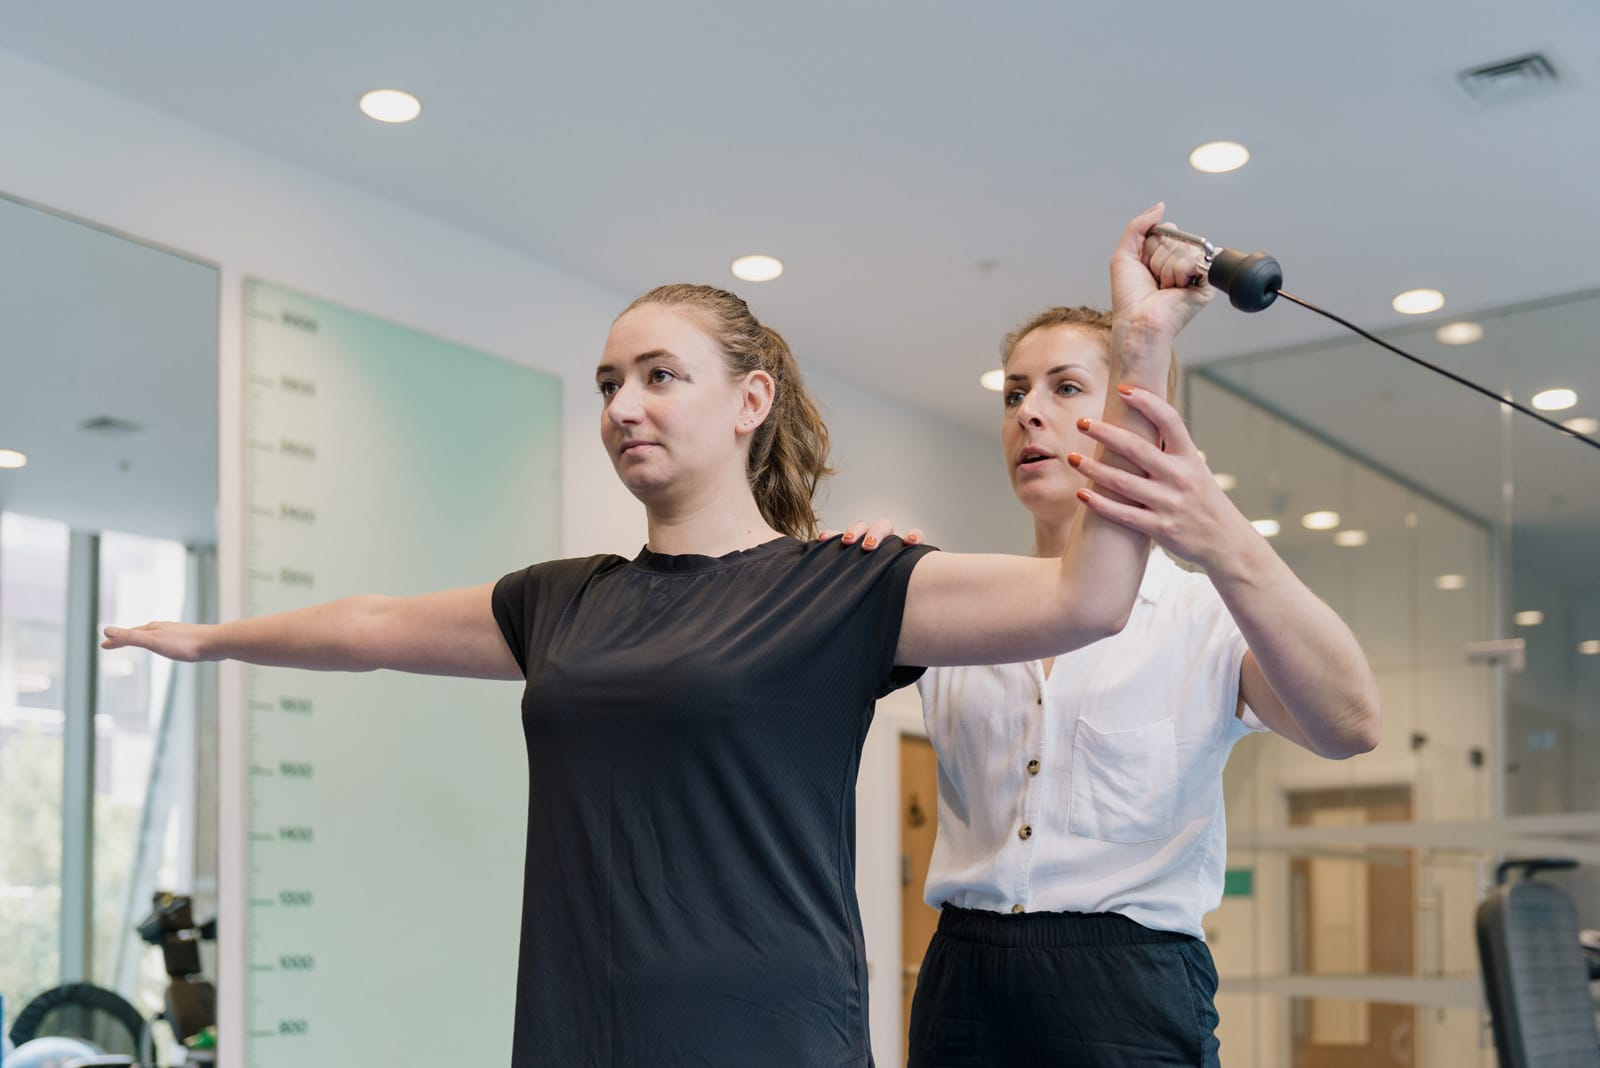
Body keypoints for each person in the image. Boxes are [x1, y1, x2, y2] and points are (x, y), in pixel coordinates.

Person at [102, 204, 1210, 1068]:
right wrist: (212, 638)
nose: (623, 405)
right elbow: (376, 625)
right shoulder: (562, 601)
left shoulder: (843, 587)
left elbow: (1087, 597)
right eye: (608, 384)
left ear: (748, 401)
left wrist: (1143, 351)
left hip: (768, 1036)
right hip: (579, 1029)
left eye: (658, 376)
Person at [867, 298, 1384, 1067]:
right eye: (1014, 394)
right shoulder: (956, 611)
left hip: (1129, 991)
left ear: (1131, 413)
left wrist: (1226, 538)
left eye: (1065, 388)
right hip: (962, 988)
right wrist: (851, 582)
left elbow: (1349, 725)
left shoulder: (1197, 615)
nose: (1029, 414)